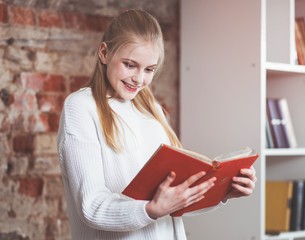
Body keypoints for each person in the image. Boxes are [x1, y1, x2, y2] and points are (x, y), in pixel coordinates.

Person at [57, 9, 257, 240]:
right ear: (104, 53)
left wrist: (223, 191)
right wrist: (151, 210)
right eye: (130, 65)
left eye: (149, 69)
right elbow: (90, 206)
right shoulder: (81, 107)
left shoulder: (152, 111)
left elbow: (175, 203)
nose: (139, 79)